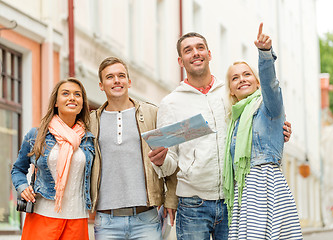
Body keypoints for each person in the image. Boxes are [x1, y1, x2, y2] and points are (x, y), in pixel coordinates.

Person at [149, 30, 292, 239]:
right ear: (181, 61)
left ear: (209, 53)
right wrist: (161, 161)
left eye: (200, 48)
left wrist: (280, 130)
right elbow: (170, 161)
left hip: (233, 200)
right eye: (188, 51)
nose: (195, 53)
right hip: (193, 203)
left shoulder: (231, 92)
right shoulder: (171, 103)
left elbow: (261, 117)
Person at [223, 23, 302, 239]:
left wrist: (264, 53)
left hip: (266, 186)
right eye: (235, 77)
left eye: (247, 74)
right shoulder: (234, 120)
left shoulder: (269, 107)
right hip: (244, 193)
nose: (242, 80)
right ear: (230, 89)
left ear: (257, 82)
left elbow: (271, 85)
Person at [89, 57, 178, 240]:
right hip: (106, 221)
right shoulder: (91, 122)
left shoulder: (152, 114)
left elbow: (171, 159)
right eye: (110, 77)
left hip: (146, 218)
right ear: (101, 85)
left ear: (129, 82)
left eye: (121, 76)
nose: (116, 81)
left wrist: (171, 199)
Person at [11, 78, 95, 239]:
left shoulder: (88, 139)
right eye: (65, 93)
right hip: (42, 216)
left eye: (77, 95)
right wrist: (22, 187)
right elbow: (18, 169)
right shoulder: (36, 135)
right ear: (56, 102)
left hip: (77, 219)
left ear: (82, 103)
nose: (72, 98)